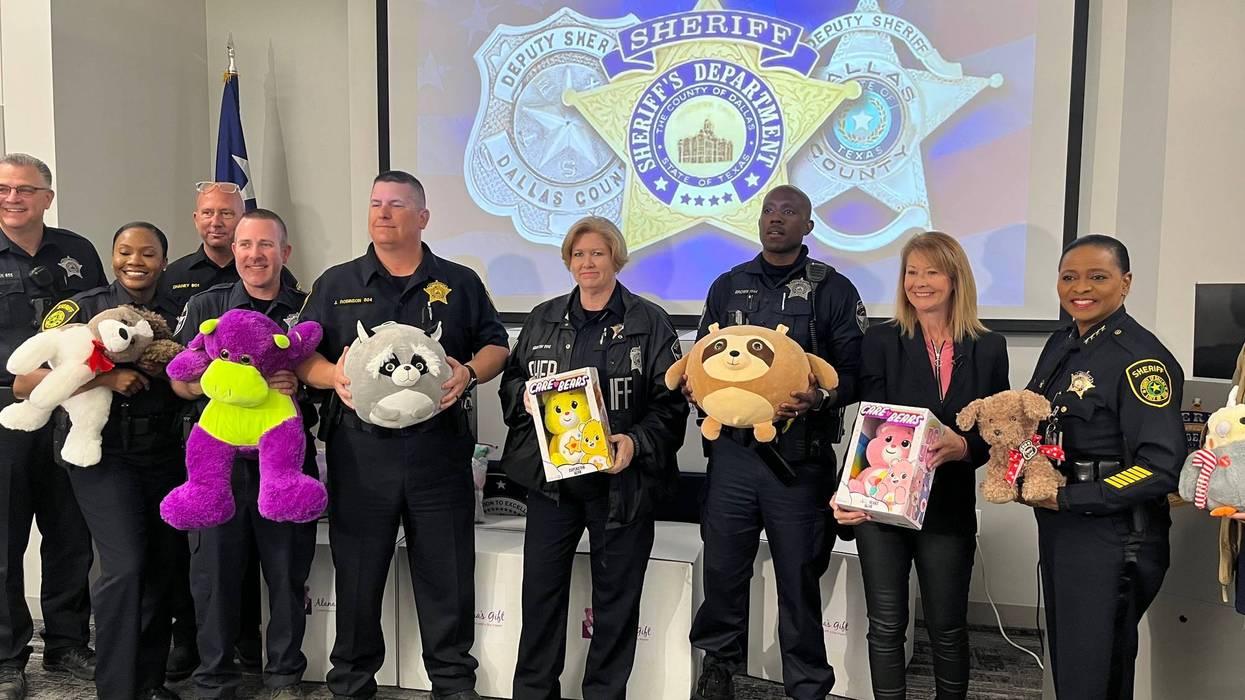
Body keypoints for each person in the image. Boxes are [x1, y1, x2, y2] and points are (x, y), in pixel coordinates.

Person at [295, 170, 509, 700]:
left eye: (396, 204)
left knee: (446, 571)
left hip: (439, 451)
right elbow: (302, 356)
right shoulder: (336, 283)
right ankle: (352, 680)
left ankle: (453, 680)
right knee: (359, 573)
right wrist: (332, 377)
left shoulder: (458, 280)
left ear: (423, 217)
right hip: (361, 452)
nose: (383, 213)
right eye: (375, 203)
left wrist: (469, 373)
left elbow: (497, 345)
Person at [686, 185, 865, 700]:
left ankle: (806, 683)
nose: (776, 219)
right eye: (768, 211)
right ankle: (718, 664)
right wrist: (701, 394)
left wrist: (820, 400)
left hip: (798, 461)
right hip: (734, 459)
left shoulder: (833, 289)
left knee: (798, 577)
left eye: (789, 212)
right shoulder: (728, 285)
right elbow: (702, 358)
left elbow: (853, 375)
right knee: (723, 569)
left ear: (807, 226)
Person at [498, 217, 688, 700]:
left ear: (616, 259)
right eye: (578, 254)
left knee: (616, 604)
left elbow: (670, 404)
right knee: (540, 597)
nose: (587, 263)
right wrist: (524, 397)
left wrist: (635, 443)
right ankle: (534, 692)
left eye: (597, 254)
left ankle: (604, 694)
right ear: (567, 261)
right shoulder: (542, 318)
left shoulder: (650, 321)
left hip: (622, 486)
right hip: (552, 486)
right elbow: (511, 382)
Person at [831, 231, 1009, 699]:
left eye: (931, 271)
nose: (919, 282)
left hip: (947, 507)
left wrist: (963, 449)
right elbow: (866, 425)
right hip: (881, 505)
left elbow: (995, 433)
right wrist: (847, 492)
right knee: (885, 625)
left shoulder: (989, 347)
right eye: (912, 272)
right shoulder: (882, 340)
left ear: (955, 278)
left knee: (948, 628)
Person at [15, 222, 185, 699]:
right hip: (101, 456)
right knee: (126, 566)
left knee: (159, 571)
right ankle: (116, 689)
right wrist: (105, 381)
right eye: (125, 251)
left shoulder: (177, 312)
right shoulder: (81, 308)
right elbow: (27, 383)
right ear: (112, 257)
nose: (136, 260)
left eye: (148, 253)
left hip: (165, 454)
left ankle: (147, 683)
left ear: (163, 261)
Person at [1025, 234, 1184, 698]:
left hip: (1112, 533)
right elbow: (1038, 422)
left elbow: (1159, 468)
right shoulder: (1061, 345)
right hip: (1064, 526)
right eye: (1069, 276)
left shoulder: (1140, 359)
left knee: (1097, 673)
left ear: (1125, 282)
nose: (1081, 288)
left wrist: (1072, 497)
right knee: (1073, 668)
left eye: (1098, 277)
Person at [170, 209, 317, 700]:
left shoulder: (306, 310)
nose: (256, 255)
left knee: (287, 575)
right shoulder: (207, 305)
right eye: (246, 244)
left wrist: (296, 382)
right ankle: (215, 677)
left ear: (285, 253)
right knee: (212, 576)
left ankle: (283, 676)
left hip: (284, 464)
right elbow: (178, 377)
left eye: (267, 245)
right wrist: (215, 384)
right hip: (219, 466)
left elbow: (326, 378)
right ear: (234, 251)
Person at [0, 153, 103, 699]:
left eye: (23, 189)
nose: (12, 198)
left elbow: (103, 322)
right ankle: (7, 656)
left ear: (47, 196)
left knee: (69, 533)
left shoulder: (78, 253)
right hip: (8, 415)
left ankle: (66, 641)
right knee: (4, 539)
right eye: (3, 189)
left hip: (70, 414)